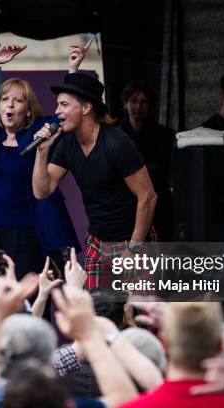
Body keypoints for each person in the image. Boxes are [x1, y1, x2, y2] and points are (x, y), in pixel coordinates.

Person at [0, 43, 86, 279]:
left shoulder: (40, 130)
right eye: (5, 99)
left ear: (29, 110)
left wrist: (72, 70)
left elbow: (68, 111)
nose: (10, 105)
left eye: (18, 101)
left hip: (30, 231)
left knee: (31, 294)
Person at [32, 73, 158, 289]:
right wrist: (42, 152)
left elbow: (148, 196)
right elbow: (42, 191)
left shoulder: (117, 143)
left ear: (86, 108)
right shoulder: (67, 144)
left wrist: (134, 248)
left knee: (139, 318)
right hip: (98, 241)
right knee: (98, 314)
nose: (56, 111)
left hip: (133, 239)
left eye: (63, 104)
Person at [119, 81, 175, 241]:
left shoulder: (165, 135)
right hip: (125, 206)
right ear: (125, 104)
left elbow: (160, 170)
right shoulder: (114, 135)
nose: (138, 106)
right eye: (134, 101)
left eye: (144, 102)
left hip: (157, 205)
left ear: (150, 106)